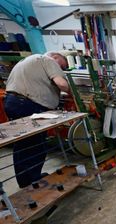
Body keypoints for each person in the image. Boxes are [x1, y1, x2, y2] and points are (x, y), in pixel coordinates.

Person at [4, 51, 69, 188]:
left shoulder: (29, 61)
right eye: (62, 66)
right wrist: (71, 91)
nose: (61, 70)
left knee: (22, 144)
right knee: (36, 144)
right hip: (29, 105)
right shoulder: (48, 60)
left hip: (13, 102)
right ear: (56, 57)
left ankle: (25, 181)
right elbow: (62, 84)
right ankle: (34, 180)